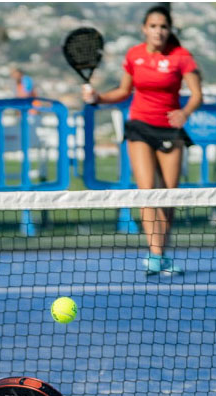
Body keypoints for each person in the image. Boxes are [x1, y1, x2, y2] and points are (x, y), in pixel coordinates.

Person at [83, 4, 203, 275]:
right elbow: (123, 91)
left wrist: (184, 113)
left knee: (168, 196)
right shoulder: (134, 55)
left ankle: (160, 252)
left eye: (163, 27)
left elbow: (197, 95)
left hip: (170, 130)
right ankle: (155, 255)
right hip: (139, 127)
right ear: (144, 29)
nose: (158, 31)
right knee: (147, 191)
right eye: (153, 26)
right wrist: (98, 97)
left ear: (169, 30)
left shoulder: (181, 56)